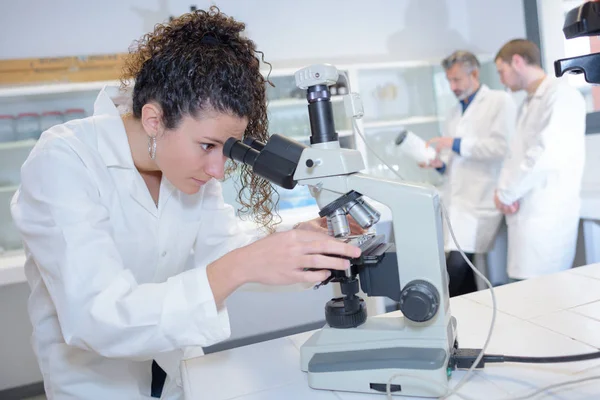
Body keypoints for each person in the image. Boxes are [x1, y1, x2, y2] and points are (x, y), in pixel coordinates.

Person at [10, 8, 361, 399]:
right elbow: (98, 317)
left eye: (228, 150)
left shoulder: (189, 172)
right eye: (208, 146)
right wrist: (243, 263)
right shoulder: (63, 161)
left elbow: (223, 252)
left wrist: (303, 244)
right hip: (97, 388)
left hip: (184, 378)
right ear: (154, 120)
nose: (218, 171)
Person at [420, 50, 516, 297]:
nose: (452, 86)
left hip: (482, 198)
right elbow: (452, 163)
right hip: (457, 202)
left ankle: (442, 319)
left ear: (474, 73)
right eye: (449, 80)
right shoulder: (453, 112)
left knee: (456, 268)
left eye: (457, 80)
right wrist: (438, 164)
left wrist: (456, 143)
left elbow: (501, 147)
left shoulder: (499, 101)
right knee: (461, 272)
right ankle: (465, 323)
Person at [494, 39, 586, 281]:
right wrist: (504, 193)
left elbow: (546, 154)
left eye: (502, 71)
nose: (501, 79)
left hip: (547, 216)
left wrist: (506, 195)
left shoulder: (561, 95)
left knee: (544, 297)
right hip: (526, 214)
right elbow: (516, 156)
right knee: (525, 293)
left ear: (517, 61)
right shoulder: (529, 102)